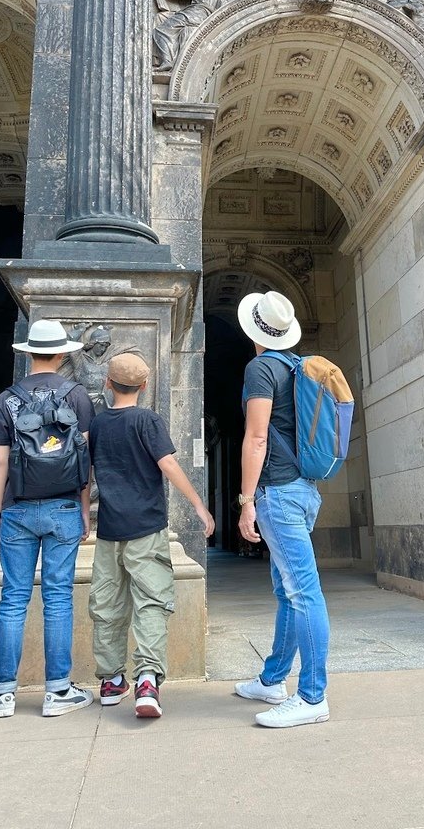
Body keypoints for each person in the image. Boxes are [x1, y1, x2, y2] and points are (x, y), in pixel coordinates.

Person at [0, 319, 95, 719]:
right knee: (58, 597)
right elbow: (84, 458)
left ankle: (3, 693)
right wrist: (84, 508)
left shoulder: (6, 399)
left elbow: (0, 463)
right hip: (63, 509)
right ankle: (58, 691)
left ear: (28, 353)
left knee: (13, 599)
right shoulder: (77, 396)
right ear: (62, 354)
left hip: (17, 510)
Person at [88, 353, 215, 718]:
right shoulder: (148, 420)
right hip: (147, 528)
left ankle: (112, 680)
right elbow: (168, 464)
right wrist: (198, 505)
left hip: (109, 530)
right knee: (151, 602)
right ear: (144, 386)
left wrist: (84, 514)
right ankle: (147, 679)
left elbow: (88, 474)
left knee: (107, 604)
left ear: (108, 384)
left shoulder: (97, 426)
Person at [234, 291, 330, 728]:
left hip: (279, 492)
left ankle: (312, 698)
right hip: (305, 490)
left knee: (303, 592)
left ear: (252, 329)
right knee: (288, 589)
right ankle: (273, 679)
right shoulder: (296, 366)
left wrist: (245, 500)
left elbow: (256, 438)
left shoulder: (261, 368)